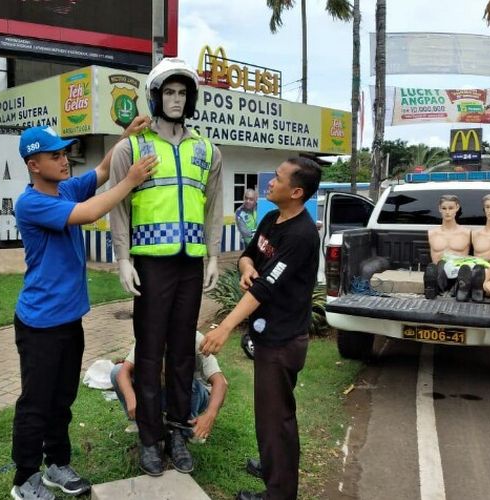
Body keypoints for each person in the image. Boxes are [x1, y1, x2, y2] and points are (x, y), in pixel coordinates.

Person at [10, 118, 157, 500]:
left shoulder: (65, 189)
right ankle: (25, 478)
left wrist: (126, 140)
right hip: (40, 323)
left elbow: (103, 170)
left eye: (64, 153)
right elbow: (91, 213)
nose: (65, 160)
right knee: (36, 402)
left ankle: (57, 465)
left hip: (68, 319)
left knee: (62, 399)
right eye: (55, 155)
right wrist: (131, 181)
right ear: (33, 165)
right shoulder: (32, 203)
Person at [109, 57, 223, 477]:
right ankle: (150, 439)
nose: (176, 100)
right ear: (156, 97)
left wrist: (213, 255)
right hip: (151, 266)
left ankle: (178, 431)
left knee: (181, 354)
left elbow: (214, 208)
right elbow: (118, 207)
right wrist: (123, 258)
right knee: (150, 350)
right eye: (168, 92)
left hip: (190, 266)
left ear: (190, 99)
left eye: (182, 93)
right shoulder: (133, 148)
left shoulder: (206, 150)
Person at [200, 157, 322, 500]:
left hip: (283, 340)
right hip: (269, 335)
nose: (269, 182)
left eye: (278, 178)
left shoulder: (301, 235)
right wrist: (246, 267)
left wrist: (224, 327)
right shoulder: (272, 218)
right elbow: (248, 254)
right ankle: (274, 466)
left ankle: (279, 492)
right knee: (272, 414)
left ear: (296, 192)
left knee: (276, 418)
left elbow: (266, 288)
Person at [109, 331, 228, 441]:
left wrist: (210, 415)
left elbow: (220, 382)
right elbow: (122, 372)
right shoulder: (150, 336)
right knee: (116, 371)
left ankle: (185, 427)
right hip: (164, 390)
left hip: (194, 393)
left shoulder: (196, 340)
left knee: (185, 378)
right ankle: (143, 422)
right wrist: (131, 399)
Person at [423, 195, 471, 299]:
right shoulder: (432, 233)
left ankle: (458, 290)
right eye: (444, 208)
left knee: (465, 271)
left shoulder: (466, 233)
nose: (447, 212)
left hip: (459, 274)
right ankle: (433, 288)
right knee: (437, 266)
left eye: (451, 208)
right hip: (438, 275)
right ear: (439, 209)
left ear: (457, 208)